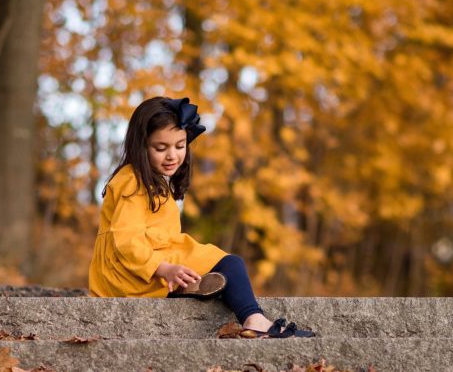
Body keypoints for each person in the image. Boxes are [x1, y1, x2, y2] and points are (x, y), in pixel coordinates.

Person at [88, 96, 315, 338]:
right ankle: (254, 320)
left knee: (215, 264)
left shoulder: (154, 182)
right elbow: (126, 240)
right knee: (231, 264)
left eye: (180, 145)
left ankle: (193, 285)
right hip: (128, 274)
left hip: (150, 261)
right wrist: (162, 268)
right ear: (141, 146)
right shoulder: (131, 180)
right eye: (160, 148)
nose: (172, 156)